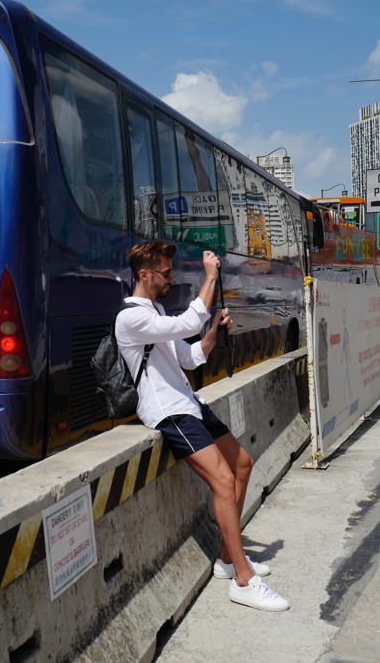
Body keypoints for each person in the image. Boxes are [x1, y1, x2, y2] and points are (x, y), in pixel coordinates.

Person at [116, 241, 290, 612]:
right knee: (224, 480)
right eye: (165, 272)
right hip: (169, 413)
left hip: (189, 404)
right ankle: (243, 580)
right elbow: (186, 323)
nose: (170, 278)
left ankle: (228, 559)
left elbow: (190, 356)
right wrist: (210, 278)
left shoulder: (156, 310)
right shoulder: (130, 318)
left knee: (242, 463)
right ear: (144, 274)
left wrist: (212, 330)